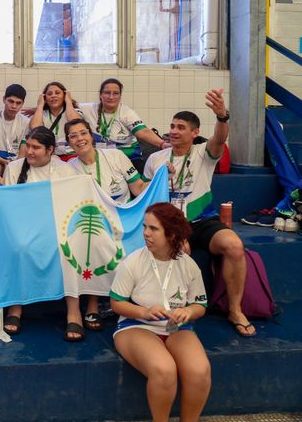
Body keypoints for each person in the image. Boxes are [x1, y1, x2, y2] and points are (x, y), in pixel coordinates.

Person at [143, 89, 256, 337]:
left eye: (181, 127)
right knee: (181, 250)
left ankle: (235, 310)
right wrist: (163, 177)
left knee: (234, 246)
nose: (174, 131)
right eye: (172, 126)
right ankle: (175, 308)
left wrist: (222, 116)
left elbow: (220, 139)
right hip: (170, 223)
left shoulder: (204, 153)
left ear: (194, 133)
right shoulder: (156, 159)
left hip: (203, 220)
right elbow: (146, 196)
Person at [110, 202, 210, 422]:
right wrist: (144, 312)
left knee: (199, 371)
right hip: (136, 326)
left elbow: (200, 306)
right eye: (145, 227)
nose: (146, 233)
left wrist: (188, 312)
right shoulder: (133, 262)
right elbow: (116, 303)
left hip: (177, 328)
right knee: (164, 370)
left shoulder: (189, 265)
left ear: (172, 234)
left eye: (153, 228)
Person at [64, 118, 148, 341]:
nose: (80, 139)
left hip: (124, 220)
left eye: (83, 133)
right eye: (73, 136)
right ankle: (93, 304)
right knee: (91, 240)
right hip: (95, 222)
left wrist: (161, 178)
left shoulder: (115, 156)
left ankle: (138, 302)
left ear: (91, 135)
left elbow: (139, 188)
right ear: (68, 143)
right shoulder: (68, 169)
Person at [0, 127, 78, 335]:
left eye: (36, 147)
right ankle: (15, 307)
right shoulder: (14, 168)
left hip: (56, 227)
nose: (29, 151)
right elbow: (8, 204)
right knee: (19, 247)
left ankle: (74, 312)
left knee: (69, 248)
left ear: (50, 150)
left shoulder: (65, 170)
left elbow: (71, 205)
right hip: (23, 227)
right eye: (28, 146)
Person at [80, 78, 168, 171]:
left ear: (120, 96)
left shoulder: (127, 113)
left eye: (115, 93)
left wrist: (162, 144)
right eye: (107, 93)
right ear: (100, 95)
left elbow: (143, 131)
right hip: (100, 159)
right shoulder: (88, 109)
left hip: (129, 159)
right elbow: (71, 108)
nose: (111, 97)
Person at [28, 81, 82, 160]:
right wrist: (40, 105)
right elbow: (35, 128)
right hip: (49, 156)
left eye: (57, 93)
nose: (53, 96)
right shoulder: (41, 114)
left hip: (72, 155)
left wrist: (68, 101)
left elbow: (76, 123)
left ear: (64, 96)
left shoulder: (74, 111)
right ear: (45, 98)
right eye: (49, 94)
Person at [0, 84, 29, 179]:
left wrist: (14, 165)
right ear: (4, 99)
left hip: (17, 160)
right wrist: (4, 162)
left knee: (20, 170)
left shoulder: (25, 122)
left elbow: (22, 153)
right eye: (11, 101)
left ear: (22, 104)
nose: (14, 106)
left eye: (18, 103)